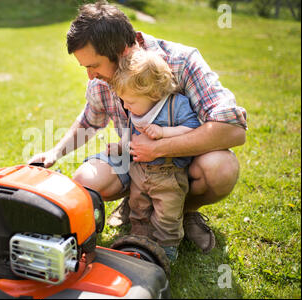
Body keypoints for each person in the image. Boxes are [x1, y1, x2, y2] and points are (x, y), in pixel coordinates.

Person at [28, 1, 247, 254]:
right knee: (85, 179)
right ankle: (137, 204)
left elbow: (233, 129)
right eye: (85, 67)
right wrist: (55, 153)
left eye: (93, 65)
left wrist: (159, 147)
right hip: (132, 160)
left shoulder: (181, 61)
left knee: (221, 168)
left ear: (122, 51)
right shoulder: (100, 80)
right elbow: (89, 120)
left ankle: (183, 213)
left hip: (179, 166)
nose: (90, 75)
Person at [106, 49, 200, 261]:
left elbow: (193, 129)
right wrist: (121, 147)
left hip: (168, 173)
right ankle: (139, 239)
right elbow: (131, 133)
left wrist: (164, 133)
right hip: (139, 170)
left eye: (129, 101)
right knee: (138, 207)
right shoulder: (136, 109)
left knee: (167, 213)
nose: (125, 106)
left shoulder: (175, 105)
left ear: (154, 95)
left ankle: (166, 249)